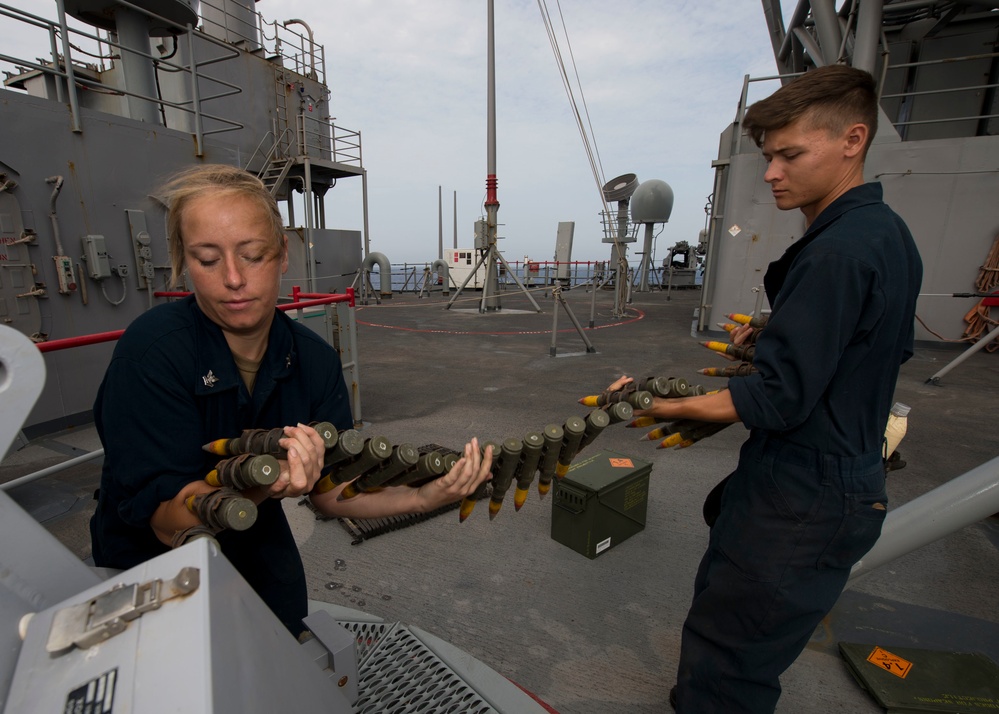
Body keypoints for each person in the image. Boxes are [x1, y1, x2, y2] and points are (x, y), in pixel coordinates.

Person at [610, 65, 922, 712]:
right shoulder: (883, 234)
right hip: (837, 473)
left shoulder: (837, 252)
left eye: (789, 155)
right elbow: (866, 347)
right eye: (766, 157)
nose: (772, 173)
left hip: (803, 492)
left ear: (851, 139)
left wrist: (649, 404)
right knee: (739, 641)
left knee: (727, 665)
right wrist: (775, 337)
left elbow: (775, 399)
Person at [90, 164, 492, 637]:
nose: (234, 279)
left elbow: (331, 492)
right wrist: (266, 483)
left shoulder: (314, 360)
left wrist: (425, 496)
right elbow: (167, 521)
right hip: (148, 568)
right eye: (207, 259)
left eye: (254, 254)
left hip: (256, 549)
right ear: (183, 262)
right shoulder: (152, 353)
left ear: (283, 254)